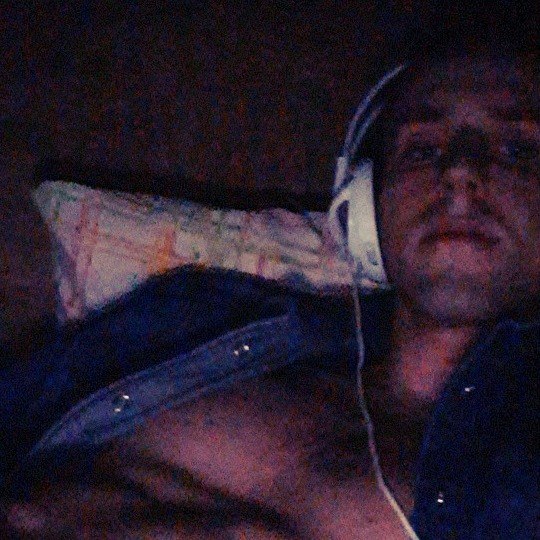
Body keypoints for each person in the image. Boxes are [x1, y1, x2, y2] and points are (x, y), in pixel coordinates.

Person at [0, 29, 538, 539]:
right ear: (362, 202)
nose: (460, 172)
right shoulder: (203, 315)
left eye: (519, 151)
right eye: (422, 150)